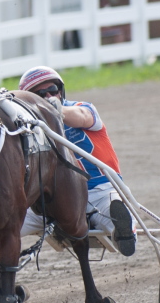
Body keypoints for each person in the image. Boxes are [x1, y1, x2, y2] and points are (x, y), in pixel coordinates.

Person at [17, 66, 136, 256]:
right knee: (5, 224)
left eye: (53, 91)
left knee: (115, 213)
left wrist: (57, 111)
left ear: (60, 91)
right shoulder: (29, 129)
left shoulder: (82, 108)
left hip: (99, 191)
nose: (49, 96)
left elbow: (82, 117)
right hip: (52, 203)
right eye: (40, 94)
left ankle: (124, 233)